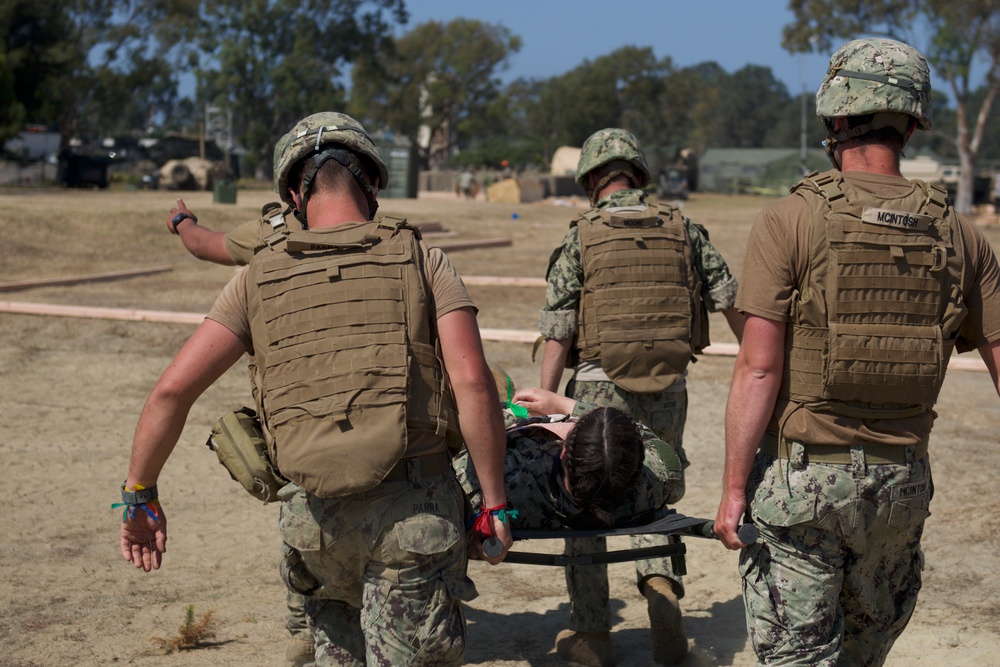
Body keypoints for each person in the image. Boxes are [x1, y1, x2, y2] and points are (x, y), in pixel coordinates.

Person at [118, 111, 513, 667]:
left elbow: (169, 394)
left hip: (315, 529)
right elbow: (474, 383)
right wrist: (494, 504)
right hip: (415, 517)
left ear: (291, 194)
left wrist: (140, 497)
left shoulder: (255, 277)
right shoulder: (424, 260)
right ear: (374, 183)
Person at [713, 38, 1000, 666]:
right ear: (910, 120)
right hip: (901, 487)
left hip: (803, 484)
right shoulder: (960, 236)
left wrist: (733, 488)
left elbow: (759, 366)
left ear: (838, 115)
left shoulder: (789, 220)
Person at [538, 127, 744, 666]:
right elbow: (728, 297)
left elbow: (560, 327)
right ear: (639, 175)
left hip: (597, 384)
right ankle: (661, 588)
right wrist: (757, 363)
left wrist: (548, 397)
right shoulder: (683, 229)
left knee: (584, 498)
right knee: (652, 490)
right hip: (668, 387)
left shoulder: (581, 233)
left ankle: (593, 635)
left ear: (590, 180)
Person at [454, 387, 684, 536]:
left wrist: (519, 417)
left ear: (563, 453)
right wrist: (566, 406)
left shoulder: (507, 476)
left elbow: (469, 442)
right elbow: (646, 438)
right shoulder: (659, 482)